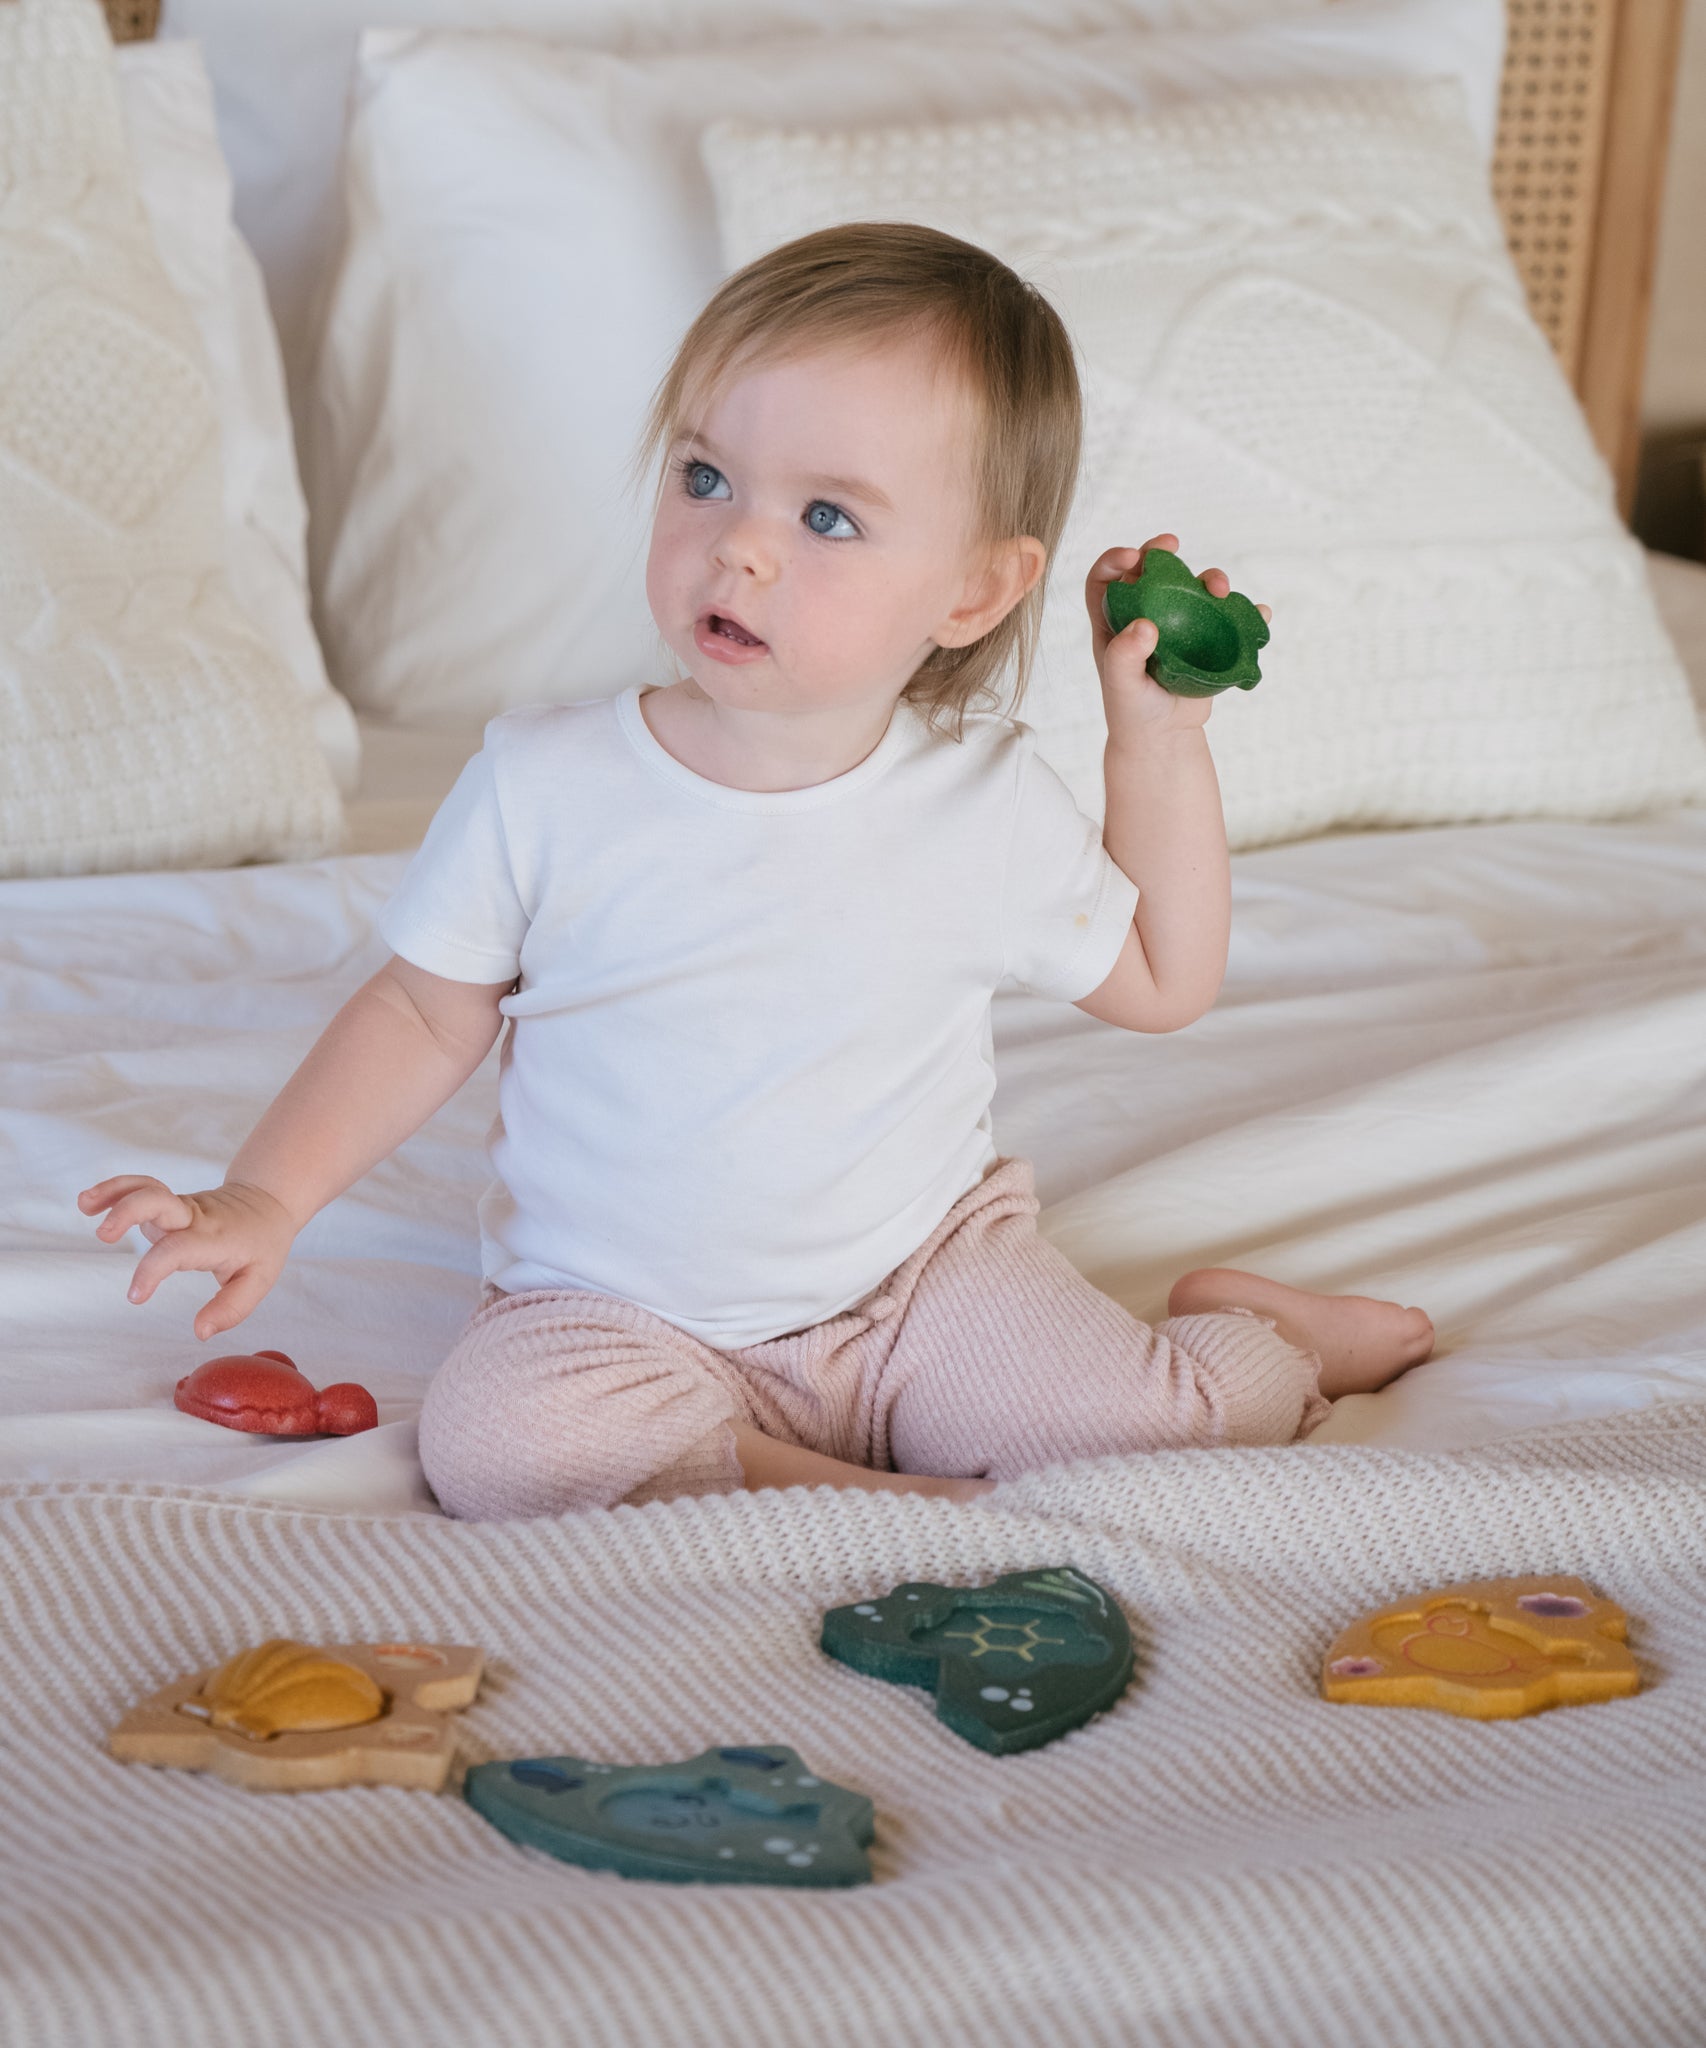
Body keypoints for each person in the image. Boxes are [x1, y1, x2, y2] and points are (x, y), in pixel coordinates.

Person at [79, 221, 1434, 1516]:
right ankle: (902, 1507)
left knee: (1158, 1435)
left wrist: (1158, 741)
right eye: (704, 476)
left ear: (970, 592)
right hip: (614, 1313)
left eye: (828, 517)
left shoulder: (976, 805)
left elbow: (1159, 982)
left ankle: (1253, 1337)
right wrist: (264, 1197)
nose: (738, 542)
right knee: (503, 1445)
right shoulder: (546, 785)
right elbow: (422, 1012)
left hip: (921, 1288)